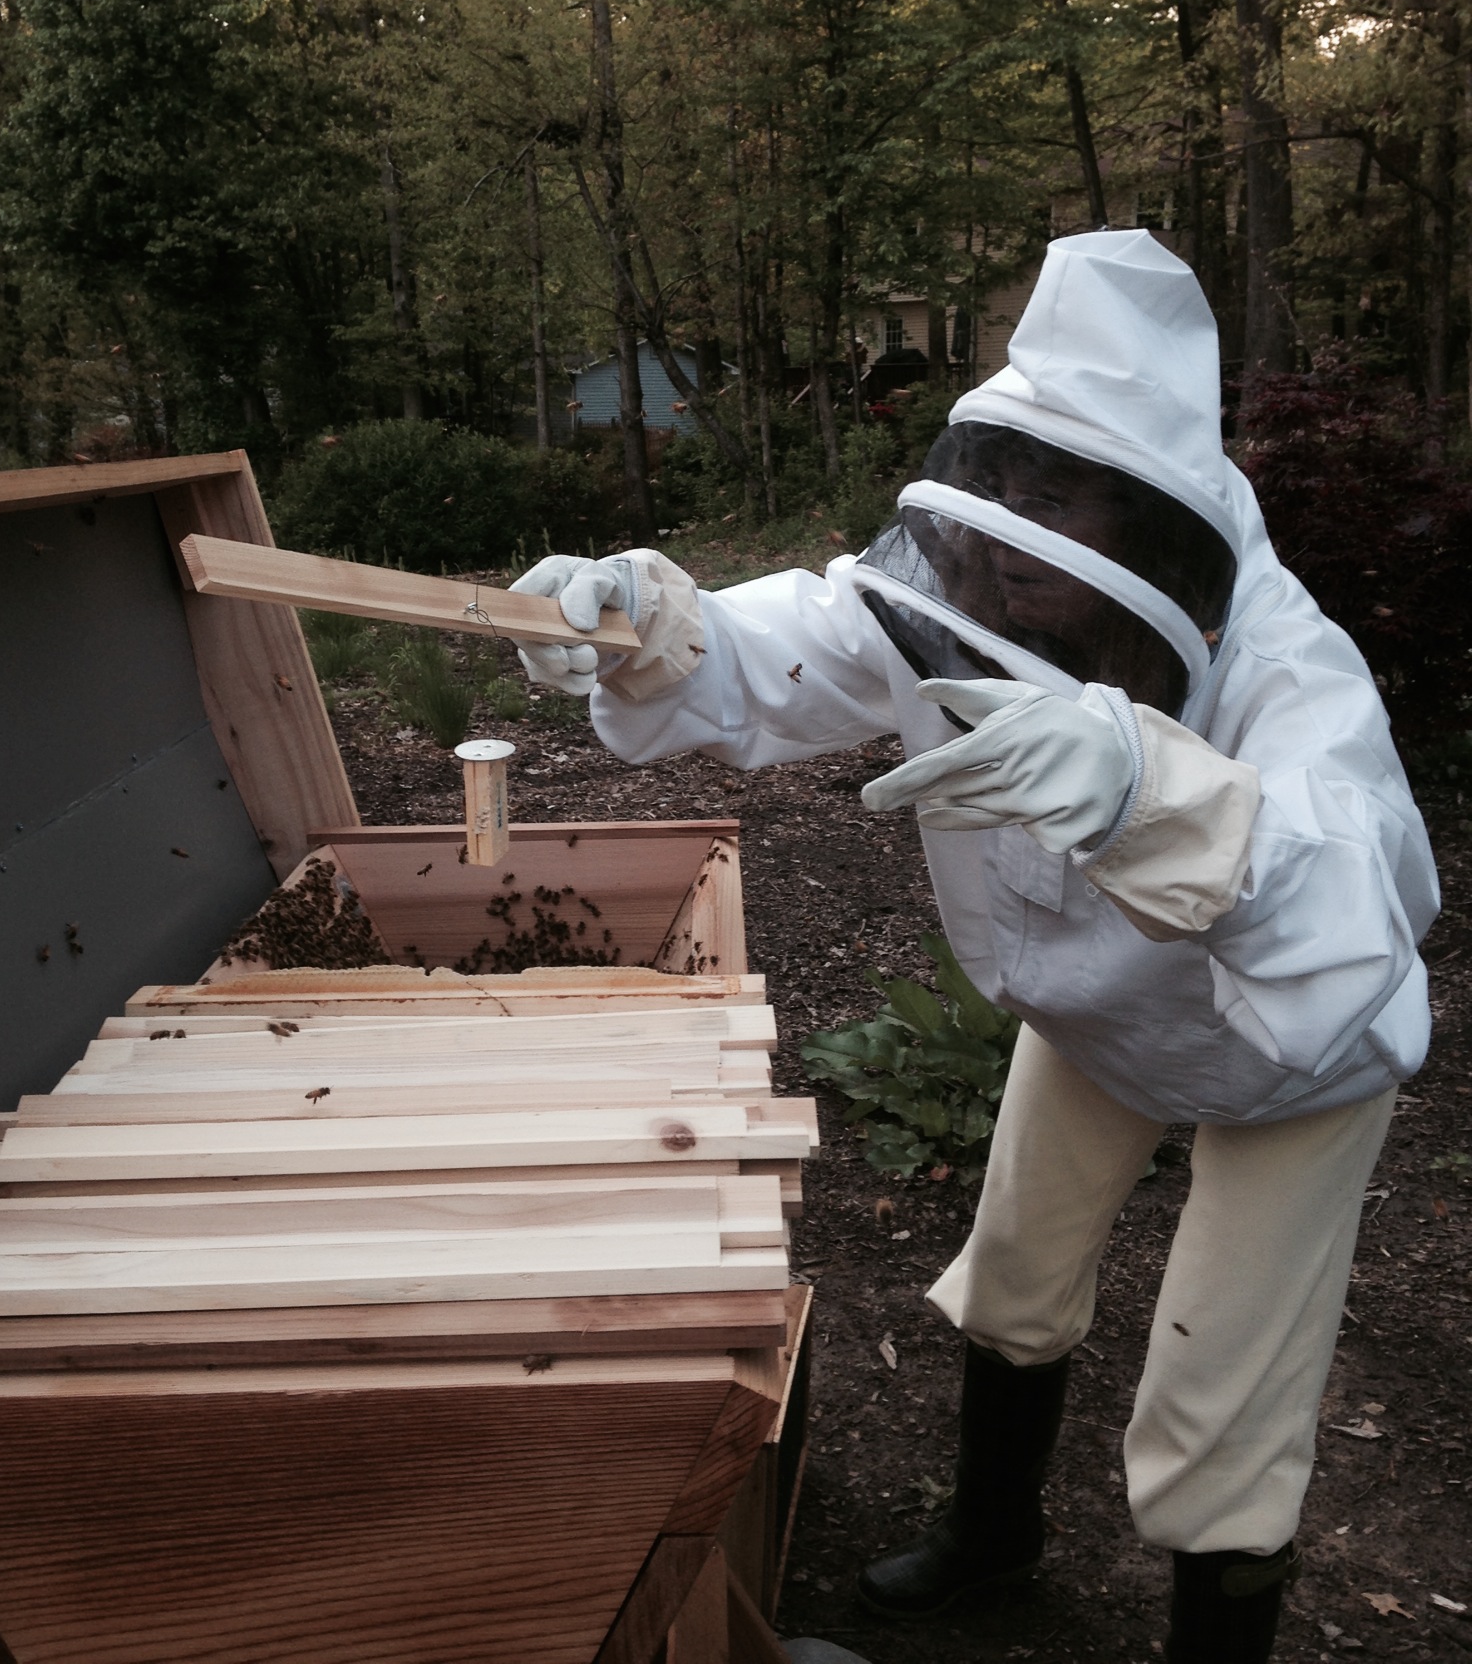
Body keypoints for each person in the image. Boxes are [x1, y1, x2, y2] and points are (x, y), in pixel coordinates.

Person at [510, 230, 1438, 1664]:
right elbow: (789, 646)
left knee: (1221, 1401)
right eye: (1009, 492)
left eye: (1063, 504)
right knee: (1014, 1273)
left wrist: (1155, 796)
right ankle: (995, 1539)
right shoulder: (960, 587)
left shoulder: (1283, 667)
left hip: (1292, 1057)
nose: (1017, 542)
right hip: (1097, 1010)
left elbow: (1358, 912)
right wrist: (645, 623)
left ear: (1148, 522)